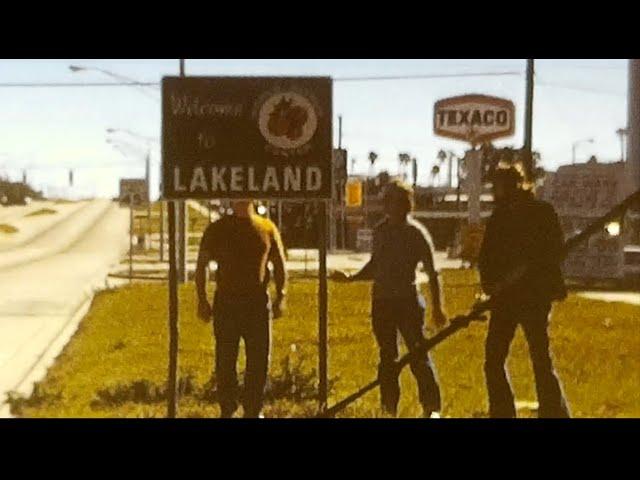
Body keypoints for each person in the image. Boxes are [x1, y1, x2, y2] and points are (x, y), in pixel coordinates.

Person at [334, 181, 447, 418]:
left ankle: (431, 406)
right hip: (382, 302)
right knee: (387, 357)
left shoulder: (416, 233)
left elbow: (431, 272)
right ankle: (389, 408)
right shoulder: (380, 231)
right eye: (386, 200)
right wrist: (352, 278)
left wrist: (438, 307)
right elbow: (375, 265)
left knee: (417, 354)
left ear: (405, 204)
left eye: (392, 200)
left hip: (407, 301)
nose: (388, 205)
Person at [478, 166, 570, 418]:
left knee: (540, 357)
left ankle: (553, 412)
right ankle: (501, 412)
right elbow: (486, 257)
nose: (495, 191)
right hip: (504, 299)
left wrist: (517, 276)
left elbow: (552, 251)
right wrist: (489, 285)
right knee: (494, 359)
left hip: (534, 296)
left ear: (516, 185)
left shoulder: (542, 213)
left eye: (498, 186)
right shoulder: (499, 217)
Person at [195, 200, 287, 418]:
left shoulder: (266, 228)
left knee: (259, 359)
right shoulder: (217, 229)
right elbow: (202, 265)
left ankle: (253, 409)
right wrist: (202, 299)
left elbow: (279, 264)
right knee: (225, 359)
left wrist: (281, 295)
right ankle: (228, 408)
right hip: (227, 303)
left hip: (257, 304)